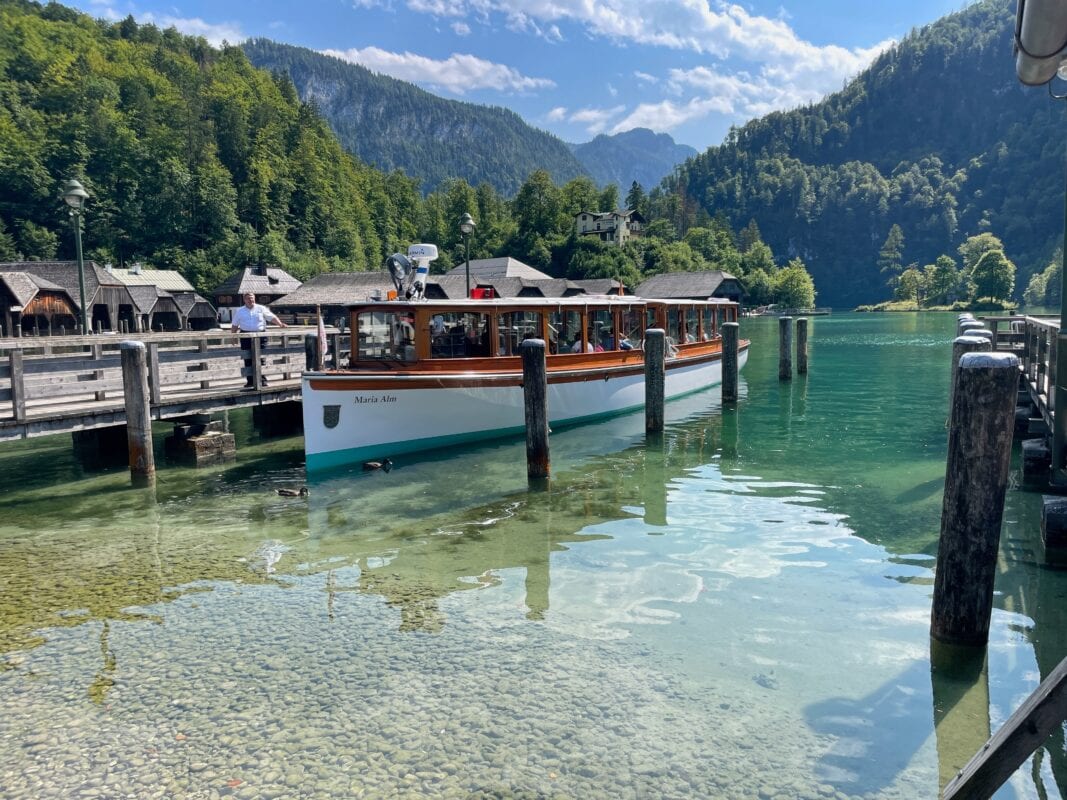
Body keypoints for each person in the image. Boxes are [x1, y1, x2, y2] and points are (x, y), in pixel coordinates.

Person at [231, 292, 287, 388]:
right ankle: (250, 381)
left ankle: (262, 380)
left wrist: (280, 324)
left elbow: (271, 317)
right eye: (248, 298)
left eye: (252, 298)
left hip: (261, 335)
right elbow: (235, 324)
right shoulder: (239, 311)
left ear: (254, 298)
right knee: (247, 359)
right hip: (246, 336)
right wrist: (233, 337)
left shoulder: (261, 308)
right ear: (244, 300)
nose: (250, 300)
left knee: (261, 358)